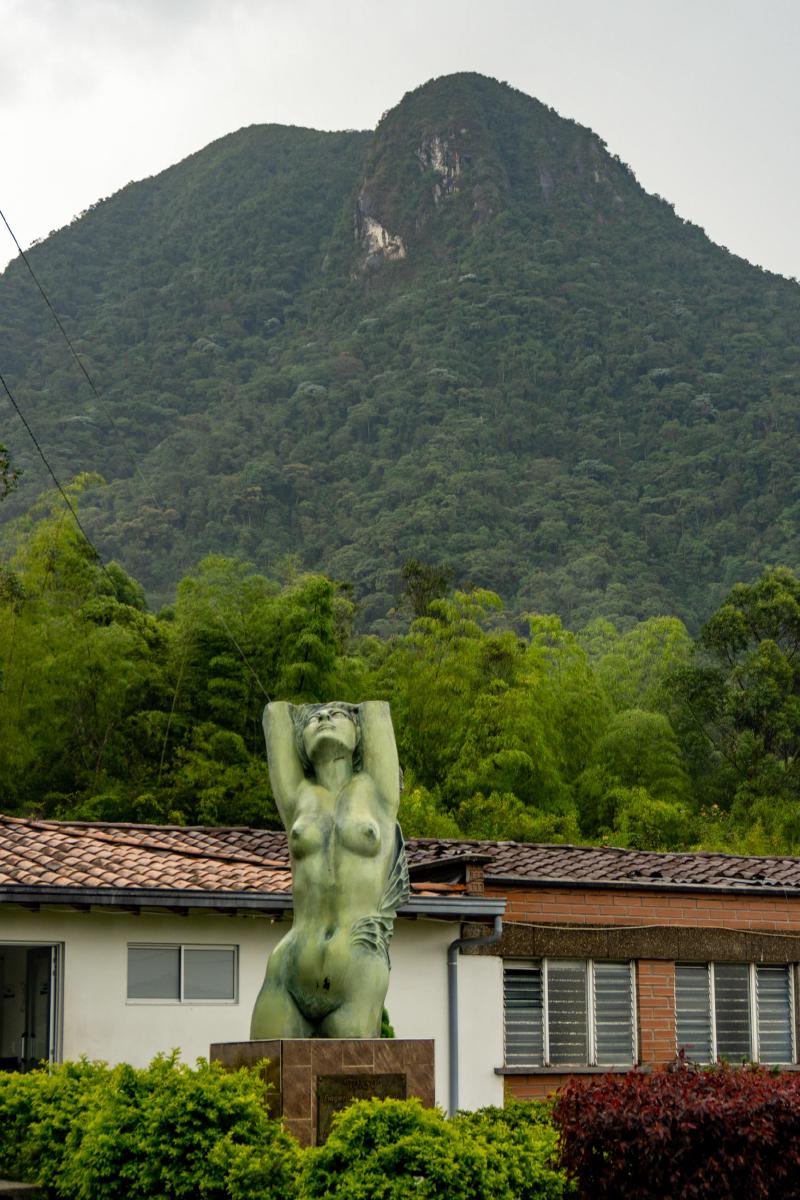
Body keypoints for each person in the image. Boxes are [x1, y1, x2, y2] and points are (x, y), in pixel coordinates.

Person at [250, 700, 408, 1038]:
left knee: (353, 1068)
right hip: (291, 964)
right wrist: (304, 716)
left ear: (358, 733)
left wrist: (352, 713)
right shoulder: (298, 798)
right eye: (313, 719)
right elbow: (276, 716)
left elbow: (376, 711)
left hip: (358, 962)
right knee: (259, 1067)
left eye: (337, 715)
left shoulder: (377, 795)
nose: (323, 717)